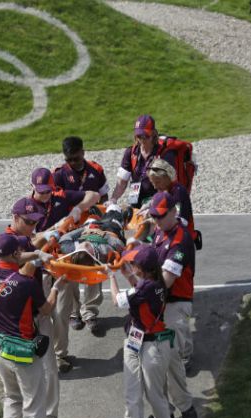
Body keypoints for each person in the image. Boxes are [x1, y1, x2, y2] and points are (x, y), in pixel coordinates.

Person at [0, 233, 68, 418]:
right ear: (16, 255)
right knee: (33, 405)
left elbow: (17, 258)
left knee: (12, 397)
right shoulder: (26, 284)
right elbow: (46, 309)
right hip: (21, 352)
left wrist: (38, 255)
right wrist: (57, 288)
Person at [107, 244, 177, 418]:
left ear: (143, 268)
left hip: (152, 346)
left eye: (133, 264)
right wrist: (128, 276)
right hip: (137, 343)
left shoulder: (147, 287)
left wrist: (111, 277)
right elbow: (140, 290)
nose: (130, 265)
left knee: (154, 395)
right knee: (132, 396)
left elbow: (117, 300)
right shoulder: (154, 283)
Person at [28, 167, 99, 378]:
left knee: (61, 314)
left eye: (47, 190)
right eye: (40, 191)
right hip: (38, 271)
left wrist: (76, 209)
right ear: (32, 187)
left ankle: (60, 355)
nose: (44, 195)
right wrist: (48, 232)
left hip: (60, 267)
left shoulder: (60, 197)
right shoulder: (26, 208)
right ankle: (42, 356)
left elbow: (93, 195)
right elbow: (28, 241)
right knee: (41, 317)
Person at [141, 192, 198, 418]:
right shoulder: (159, 232)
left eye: (160, 216)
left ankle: (184, 407)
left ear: (174, 212)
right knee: (156, 363)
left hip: (173, 305)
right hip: (160, 305)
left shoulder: (180, 240)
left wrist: (139, 290)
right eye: (153, 216)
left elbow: (166, 282)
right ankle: (162, 411)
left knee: (172, 361)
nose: (156, 221)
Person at [53, 136, 110, 335]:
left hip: (92, 228)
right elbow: (56, 203)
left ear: (83, 152)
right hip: (69, 231)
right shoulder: (59, 176)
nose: (73, 163)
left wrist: (99, 214)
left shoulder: (96, 170)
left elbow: (104, 197)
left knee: (94, 265)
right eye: (69, 160)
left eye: (76, 158)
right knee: (70, 270)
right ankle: (74, 313)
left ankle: (90, 312)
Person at [108, 114, 177, 211]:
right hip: (136, 202)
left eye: (146, 136)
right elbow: (121, 183)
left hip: (159, 204)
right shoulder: (130, 153)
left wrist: (151, 203)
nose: (142, 139)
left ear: (153, 134)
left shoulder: (165, 154)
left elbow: (169, 187)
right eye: (139, 136)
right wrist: (113, 199)